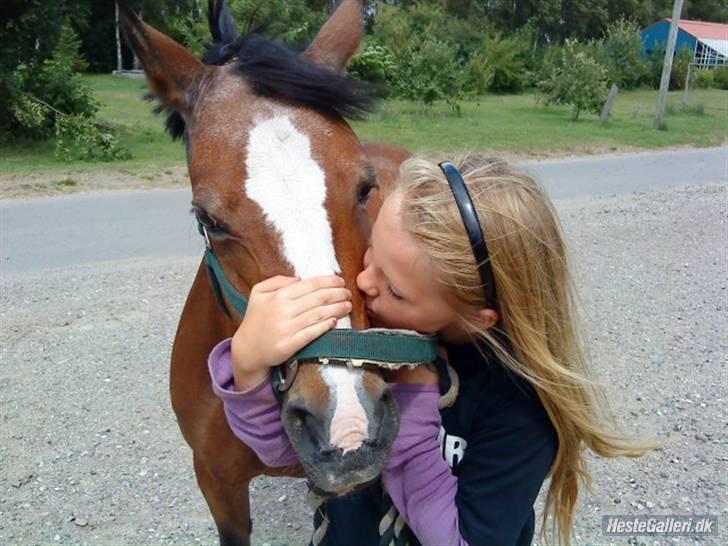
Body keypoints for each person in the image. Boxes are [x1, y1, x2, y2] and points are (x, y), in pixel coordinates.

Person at [207, 155, 651, 545]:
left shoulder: (522, 413)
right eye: (370, 256)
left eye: (395, 289)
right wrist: (247, 365)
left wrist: (414, 418)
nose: (363, 284)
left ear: (479, 316)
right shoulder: (376, 330)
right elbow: (288, 453)